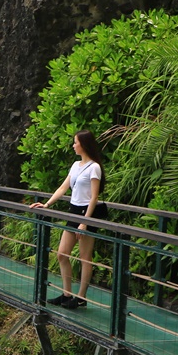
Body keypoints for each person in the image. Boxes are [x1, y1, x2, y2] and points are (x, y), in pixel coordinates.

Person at [29, 129, 108, 309]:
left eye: (75, 142)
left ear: (84, 144)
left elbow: (94, 197)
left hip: (87, 214)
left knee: (84, 257)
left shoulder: (94, 167)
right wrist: (47, 204)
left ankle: (81, 297)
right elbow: (63, 188)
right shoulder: (75, 165)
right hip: (73, 211)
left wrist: (85, 222)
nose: (73, 145)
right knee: (62, 254)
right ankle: (67, 293)